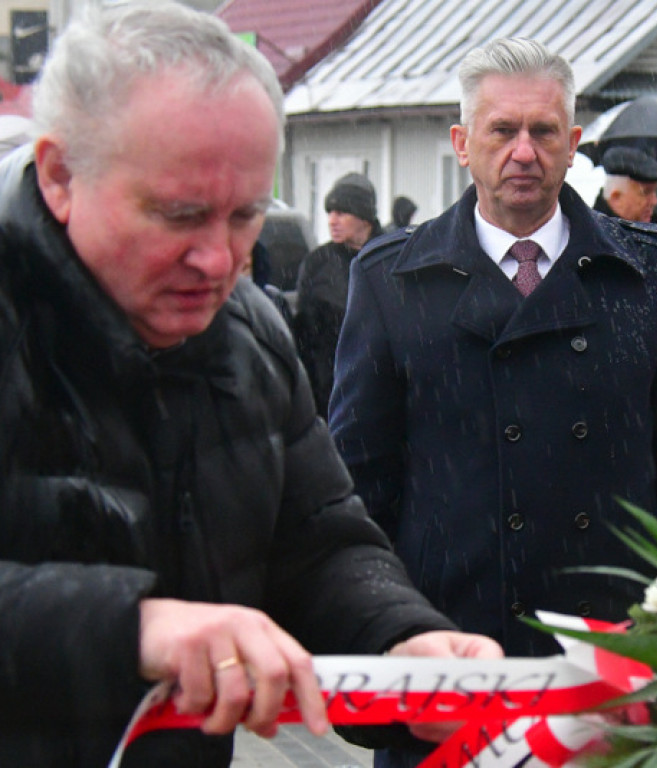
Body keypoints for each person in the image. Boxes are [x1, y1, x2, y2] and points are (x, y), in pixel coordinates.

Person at [0, 4, 501, 766]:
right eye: (180, 215)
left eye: (246, 217)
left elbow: (317, 543)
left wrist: (401, 639)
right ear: (60, 174)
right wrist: (134, 627)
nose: (219, 261)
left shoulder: (249, 333)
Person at [330, 31, 657, 676]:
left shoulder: (647, 275)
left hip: (612, 650)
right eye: (502, 131)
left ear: (573, 149)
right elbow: (360, 488)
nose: (524, 152)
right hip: (450, 647)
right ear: (463, 146)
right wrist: (382, 638)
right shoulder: (391, 281)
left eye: (544, 132)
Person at [294, 173, 383, 416]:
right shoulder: (318, 263)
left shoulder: (389, 257)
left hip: (379, 389)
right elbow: (303, 332)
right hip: (328, 392)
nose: (332, 221)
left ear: (364, 217)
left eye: (341, 213)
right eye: (329, 213)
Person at [592, 145, 657, 227]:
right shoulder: (592, 233)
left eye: (655, 192)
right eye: (646, 192)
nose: (655, 201)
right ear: (616, 198)